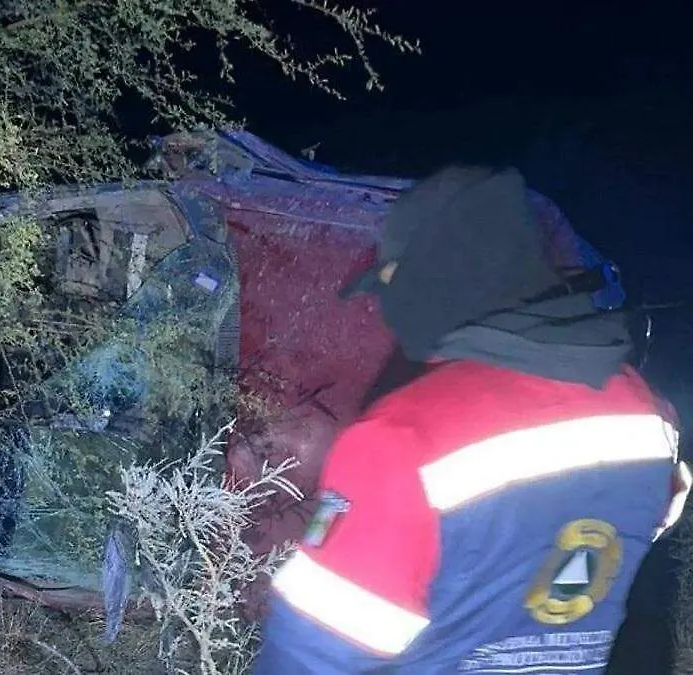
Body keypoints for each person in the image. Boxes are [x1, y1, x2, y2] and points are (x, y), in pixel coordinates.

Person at [252, 165, 691, 674]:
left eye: (394, 283)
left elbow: (309, 655)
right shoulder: (647, 416)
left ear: (443, 276)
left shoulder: (399, 441)